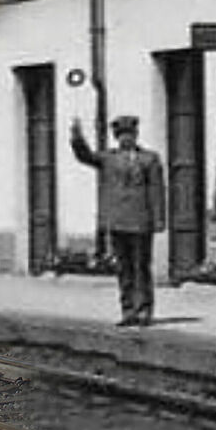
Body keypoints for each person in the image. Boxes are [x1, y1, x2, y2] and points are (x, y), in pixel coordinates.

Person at [69, 114, 166, 327]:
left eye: (129, 135)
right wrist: (77, 138)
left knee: (141, 266)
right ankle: (128, 310)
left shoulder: (149, 159)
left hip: (141, 221)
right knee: (124, 268)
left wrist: (159, 219)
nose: (126, 139)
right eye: (121, 135)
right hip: (118, 221)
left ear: (135, 135)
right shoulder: (108, 158)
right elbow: (85, 156)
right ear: (116, 137)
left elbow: (157, 190)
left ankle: (144, 310)